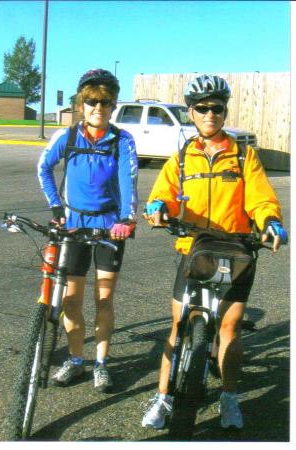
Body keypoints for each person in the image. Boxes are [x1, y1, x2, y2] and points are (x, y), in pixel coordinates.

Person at [141, 74, 287, 430]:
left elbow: (260, 197)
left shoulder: (242, 154)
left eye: (216, 108)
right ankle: (162, 397)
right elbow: (162, 193)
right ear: (191, 112)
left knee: (231, 328)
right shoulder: (182, 157)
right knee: (177, 326)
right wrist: (158, 206)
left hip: (236, 250)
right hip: (194, 248)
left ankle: (230, 397)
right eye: (202, 108)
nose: (210, 114)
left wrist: (269, 221)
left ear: (224, 112)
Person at [37, 69, 138, 392]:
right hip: (74, 225)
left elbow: (128, 181)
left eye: (105, 102)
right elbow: (44, 168)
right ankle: (77, 359)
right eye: (92, 101)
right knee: (71, 301)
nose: (98, 107)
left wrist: (126, 219)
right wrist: (56, 207)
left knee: (104, 300)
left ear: (113, 105)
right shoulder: (66, 137)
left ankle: (101, 363)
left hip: (110, 227)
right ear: (82, 103)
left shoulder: (122, 140)